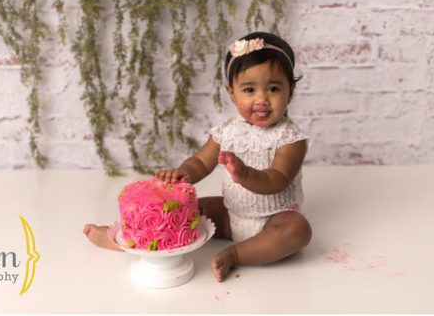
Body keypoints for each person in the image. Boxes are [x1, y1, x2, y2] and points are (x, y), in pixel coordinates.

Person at [84, 32, 312, 282]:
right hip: (230, 214)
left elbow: (277, 179)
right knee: (184, 211)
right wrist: (184, 173)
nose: (261, 99)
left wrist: (245, 174)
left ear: (290, 91)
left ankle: (236, 254)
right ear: (232, 93)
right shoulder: (227, 131)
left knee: (297, 229)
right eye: (249, 89)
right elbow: (201, 161)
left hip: (274, 218)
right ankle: (123, 240)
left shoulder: (291, 138)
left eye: (273, 88)